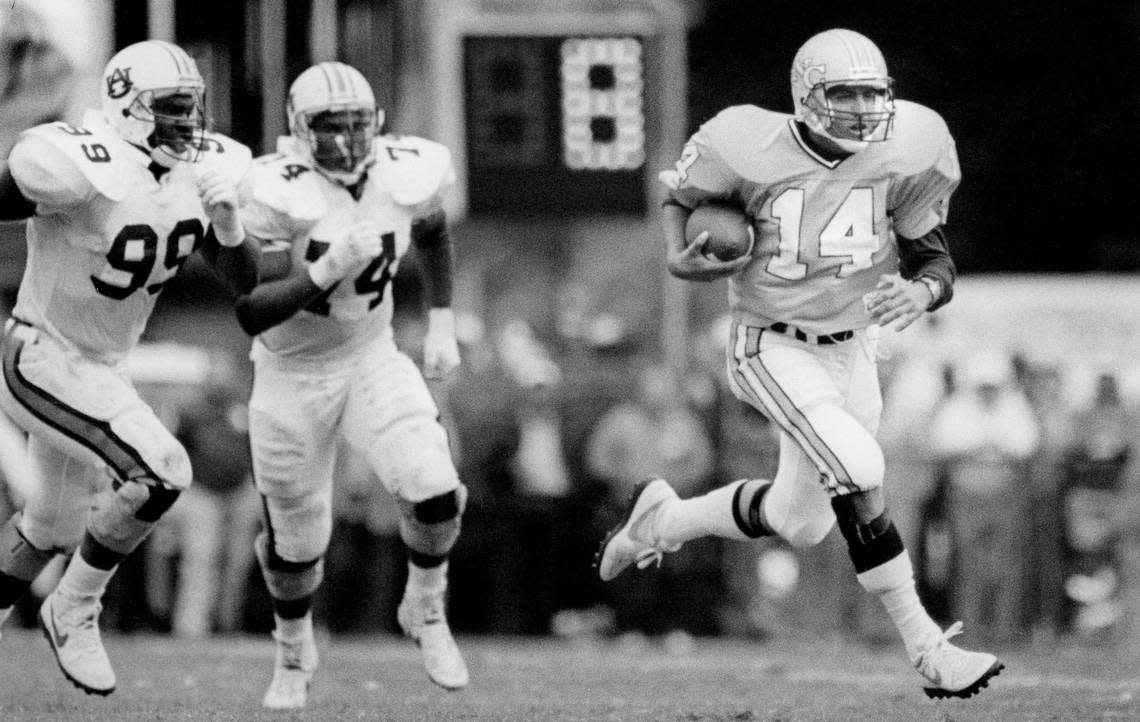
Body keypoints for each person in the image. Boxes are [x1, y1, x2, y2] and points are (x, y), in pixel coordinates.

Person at [596, 28, 1003, 699]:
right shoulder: (744, 143)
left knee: (801, 520)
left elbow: (935, 258)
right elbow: (680, 199)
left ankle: (660, 521)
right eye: (846, 93)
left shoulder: (911, 145)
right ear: (807, 95)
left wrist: (921, 289)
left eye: (875, 93)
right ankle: (930, 650)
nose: (864, 107)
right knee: (861, 467)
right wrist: (677, 253)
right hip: (770, 343)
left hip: (854, 348)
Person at [0, 39, 258, 696]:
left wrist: (227, 225)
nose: (186, 123)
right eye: (170, 108)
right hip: (41, 352)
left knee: (51, 526)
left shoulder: (204, 169)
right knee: (164, 468)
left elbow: (249, 290)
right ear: (124, 107)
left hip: (102, 367)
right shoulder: (80, 164)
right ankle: (74, 605)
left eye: (191, 108)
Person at [233, 61, 468, 710]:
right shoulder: (274, 188)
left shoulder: (405, 169)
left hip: (371, 354)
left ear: (379, 124)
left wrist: (442, 320)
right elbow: (254, 308)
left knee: (436, 489)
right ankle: (291, 651)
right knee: (298, 540)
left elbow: (433, 230)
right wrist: (326, 270)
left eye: (357, 125)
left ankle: (424, 605)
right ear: (299, 131)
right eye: (329, 127)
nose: (346, 140)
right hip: (290, 372)